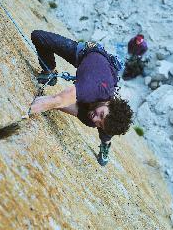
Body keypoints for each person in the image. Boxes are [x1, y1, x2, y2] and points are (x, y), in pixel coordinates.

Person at [29, 30, 133, 166]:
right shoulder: (91, 89)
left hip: (103, 81)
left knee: (104, 128)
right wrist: (25, 112)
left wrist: (44, 103)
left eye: (99, 123)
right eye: (101, 115)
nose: (96, 118)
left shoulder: (103, 115)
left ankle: (105, 147)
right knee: (39, 37)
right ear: (109, 103)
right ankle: (49, 72)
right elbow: (57, 100)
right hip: (87, 53)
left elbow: (56, 103)